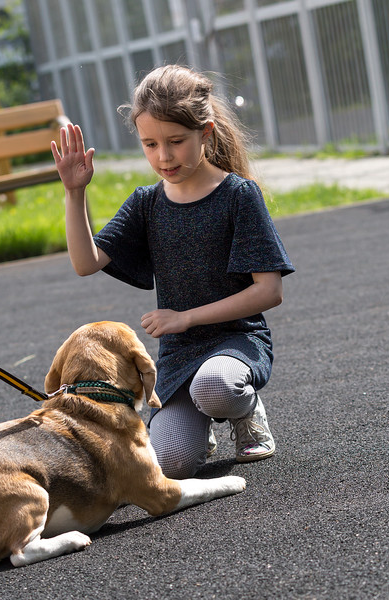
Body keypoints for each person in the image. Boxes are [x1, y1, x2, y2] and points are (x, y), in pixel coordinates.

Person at [51, 64, 294, 478]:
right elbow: (85, 262)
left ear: (206, 133)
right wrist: (75, 193)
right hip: (181, 355)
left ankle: (246, 413)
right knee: (172, 464)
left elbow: (269, 292)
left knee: (214, 386)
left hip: (237, 341)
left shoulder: (238, 195)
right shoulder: (147, 203)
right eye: (150, 144)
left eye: (176, 141)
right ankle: (199, 422)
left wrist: (185, 317)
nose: (163, 156)